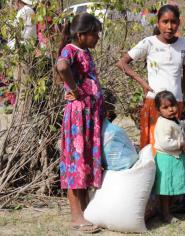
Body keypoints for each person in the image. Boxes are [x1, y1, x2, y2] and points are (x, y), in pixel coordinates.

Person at [116, 4, 185, 150]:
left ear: (179, 23)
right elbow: (122, 63)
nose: (169, 26)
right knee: (153, 146)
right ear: (158, 23)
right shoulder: (149, 42)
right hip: (154, 103)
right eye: (165, 22)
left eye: (173, 22)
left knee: (174, 146)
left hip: (176, 104)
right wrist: (143, 83)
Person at [56, 13, 104, 233]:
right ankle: (76, 217)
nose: (97, 38)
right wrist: (74, 90)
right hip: (78, 117)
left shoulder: (84, 51)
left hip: (89, 116)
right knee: (76, 162)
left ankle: (84, 212)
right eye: (95, 34)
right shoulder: (70, 50)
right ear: (81, 34)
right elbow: (62, 67)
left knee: (84, 160)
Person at [153, 90, 185, 223]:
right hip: (167, 159)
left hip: (175, 158)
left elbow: (178, 125)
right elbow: (165, 142)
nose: (170, 110)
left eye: (172, 105)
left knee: (173, 186)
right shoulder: (162, 124)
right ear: (158, 110)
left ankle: (167, 210)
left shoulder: (173, 120)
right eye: (165, 107)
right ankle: (166, 214)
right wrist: (180, 145)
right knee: (166, 189)